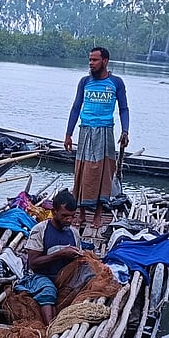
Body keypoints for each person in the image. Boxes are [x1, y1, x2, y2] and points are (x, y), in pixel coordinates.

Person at [64, 46, 130, 226]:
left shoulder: (116, 83)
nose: (91, 63)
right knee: (82, 171)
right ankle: (82, 213)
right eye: (90, 60)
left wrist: (125, 131)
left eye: (95, 60)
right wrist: (68, 134)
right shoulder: (85, 82)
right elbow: (76, 107)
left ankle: (98, 214)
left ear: (105, 61)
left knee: (103, 172)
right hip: (85, 130)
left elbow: (123, 108)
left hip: (105, 131)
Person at [17, 189, 83, 325]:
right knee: (48, 291)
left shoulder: (74, 233)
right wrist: (60, 254)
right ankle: (50, 328)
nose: (69, 220)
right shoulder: (40, 230)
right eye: (65, 216)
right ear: (54, 212)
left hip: (64, 277)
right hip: (40, 276)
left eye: (72, 216)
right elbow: (33, 263)